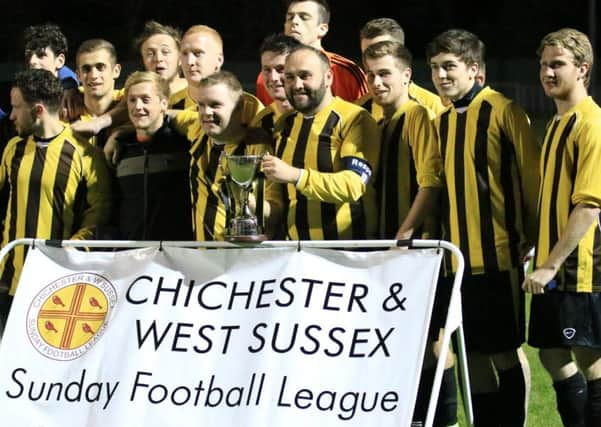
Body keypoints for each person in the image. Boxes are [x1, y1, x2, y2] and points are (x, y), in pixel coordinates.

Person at [427, 29, 540, 426]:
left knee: (505, 349)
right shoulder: (442, 121)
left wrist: (532, 239)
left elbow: (532, 181)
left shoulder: (504, 111)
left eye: (449, 67)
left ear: (474, 69)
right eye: (436, 68)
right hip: (457, 261)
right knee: (471, 351)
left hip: (499, 254)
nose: (441, 76)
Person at [363, 40, 453, 427]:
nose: (377, 82)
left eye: (385, 74)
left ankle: (442, 418)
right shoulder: (374, 120)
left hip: (417, 250)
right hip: (386, 249)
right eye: (371, 75)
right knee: (398, 341)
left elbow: (430, 181)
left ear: (406, 76)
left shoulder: (416, 115)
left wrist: (407, 230)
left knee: (432, 342)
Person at [523, 28, 601, 427]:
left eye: (557, 65)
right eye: (543, 65)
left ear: (582, 69)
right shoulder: (556, 122)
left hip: (580, 267)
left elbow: (587, 207)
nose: (547, 73)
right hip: (553, 263)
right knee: (552, 353)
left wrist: (551, 265)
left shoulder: (591, 123)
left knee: (591, 357)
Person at [0, 69, 111, 336]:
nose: (11, 115)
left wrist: (70, 250)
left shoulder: (85, 153)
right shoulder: (12, 148)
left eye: (16, 108)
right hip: (8, 282)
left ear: (38, 110)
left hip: (57, 283)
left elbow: (99, 213)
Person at [262, 45, 379, 240]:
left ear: (328, 78)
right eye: (290, 77)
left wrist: (296, 176)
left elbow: (353, 185)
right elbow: (278, 195)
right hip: (297, 254)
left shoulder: (354, 118)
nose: (297, 84)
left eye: (305, 75)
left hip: (348, 252)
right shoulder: (284, 124)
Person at [186, 70, 282, 241]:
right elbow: (166, 116)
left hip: (245, 258)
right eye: (201, 105)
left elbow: (275, 211)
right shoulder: (197, 133)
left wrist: (246, 198)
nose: (206, 112)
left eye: (215, 105)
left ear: (239, 107)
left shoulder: (257, 147)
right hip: (202, 258)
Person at [111, 71, 192, 241]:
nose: (137, 106)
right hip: (130, 254)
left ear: (164, 104)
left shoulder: (184, 145)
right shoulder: (120, 149)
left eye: (145, 100)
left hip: (177, 256)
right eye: (132, 100)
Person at [255, 0, 368, 106]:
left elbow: (366, 116)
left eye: (304, 17)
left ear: (322, 29)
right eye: (290, 18)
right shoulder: (267, 78)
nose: (294, 22)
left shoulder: (345, 71)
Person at [357, 17, 444, 121]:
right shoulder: (357, 109)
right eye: (365, 53)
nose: (371, 58)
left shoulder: (435, 107)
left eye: (381, 48)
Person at [23, 23, 84, 122]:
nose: (31, 61)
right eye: (29, 55)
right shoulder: (17, 95)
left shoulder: (78, 97)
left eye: (41, 55)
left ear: (60, 61)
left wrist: (69, 85)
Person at [75, 39, 123, 148]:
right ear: (78, 75)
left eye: (100, 67)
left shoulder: (133, 102)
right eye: (86, 69)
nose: (93, 76)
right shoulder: (65, 113)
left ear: (116, 71)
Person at [253, 33, 300, 137]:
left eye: (280, 69)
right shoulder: (259, 121)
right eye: (267, 70)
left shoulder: (325, 118)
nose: (273, 78)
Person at [133, 20, 187, 106]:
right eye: (150, 54)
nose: (158, 58)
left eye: (165, 52)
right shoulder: (133, 93)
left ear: (180, 58)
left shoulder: (200, 92)